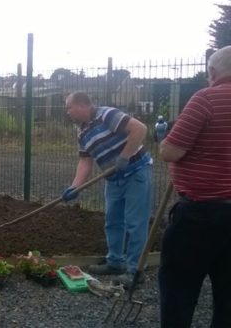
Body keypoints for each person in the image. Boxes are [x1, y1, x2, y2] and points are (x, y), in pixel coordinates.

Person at [158, 46, 231, 328]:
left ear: (212, 72)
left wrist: (165, 139)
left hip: (201, 216)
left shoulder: (206, 99)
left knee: (179, 291)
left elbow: (170, 152)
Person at [62, 92, 152, 287]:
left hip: (136, 171)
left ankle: (135, 271)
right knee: (113, 221)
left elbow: (139, 129)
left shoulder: (107, 115)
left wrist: (125, 156)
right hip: (113, 179)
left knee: (135, 223)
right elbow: (85, 162)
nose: (67, 112)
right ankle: (115, 262)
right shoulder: (82, 132)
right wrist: (74, 187)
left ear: (82, 105)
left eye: (69, 107)